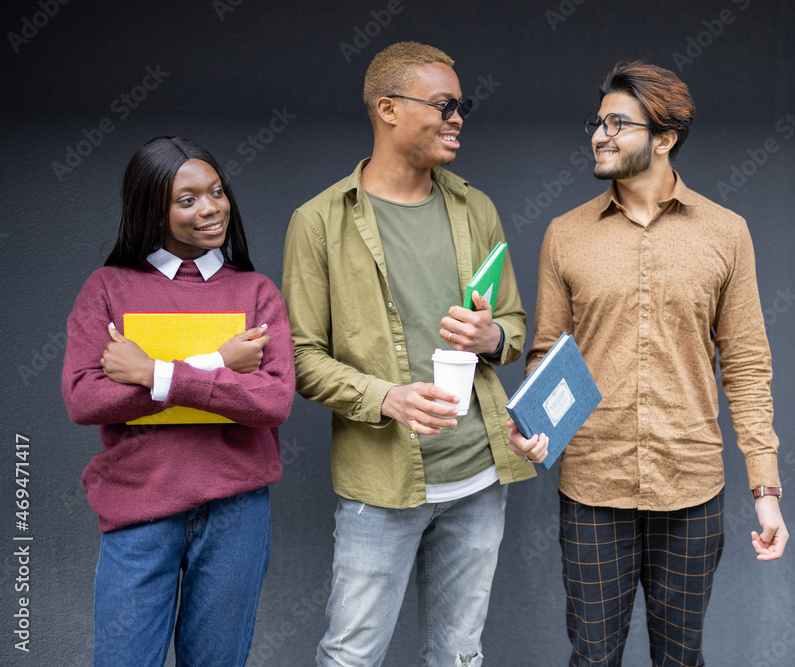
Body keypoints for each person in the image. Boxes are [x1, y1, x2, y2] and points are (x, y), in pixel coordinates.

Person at [508, 60, 790, 666]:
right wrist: (535, 426)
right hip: (592, 488)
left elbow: (745, 363)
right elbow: (546, 353)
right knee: (592, 658)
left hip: (691, 488)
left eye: (618, 123)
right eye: (597, 121)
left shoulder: (726, 232)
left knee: (682, 659)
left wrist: (765, 489)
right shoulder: (565, 233)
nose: (599, 134)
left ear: (664, 139)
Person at [281, 41, 535, 667]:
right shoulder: (318, 222)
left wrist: (492, 338)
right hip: (382, 483)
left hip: (480, 476)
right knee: (351, 655)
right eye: (444, 105)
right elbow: (299, 357)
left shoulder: (476, 209)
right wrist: (387, 398)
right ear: (387, 109)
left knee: (458, 656)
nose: (458, 118)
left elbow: (513, 327)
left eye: (462, 105)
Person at [61, 136, 294, 666]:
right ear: (151, 209)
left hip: (236, 510)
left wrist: (151, 373)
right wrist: (218, 366)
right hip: (139, 504)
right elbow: (85, 398)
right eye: (186, 199)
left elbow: (273, 401)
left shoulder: (256, 292)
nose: (210, 208)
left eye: (216, 191)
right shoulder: (108, 289)